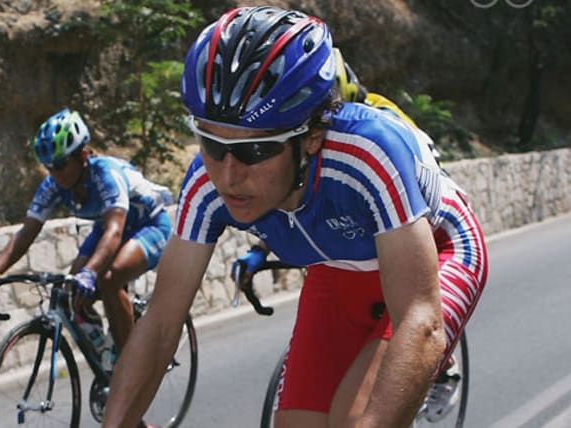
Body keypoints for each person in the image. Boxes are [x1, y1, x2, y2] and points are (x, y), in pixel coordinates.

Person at [103, 6, 488, 428]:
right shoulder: (204, 183)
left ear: (312, 138)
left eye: (255, 150)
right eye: (211, 144)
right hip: (338, 267)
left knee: (357, 419)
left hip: (438, 249)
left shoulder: (368, 153)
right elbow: (161, 324)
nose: (228, 176)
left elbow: (420, 319)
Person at [0, 108, 173, 358]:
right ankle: (106, 354)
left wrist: (90, 272)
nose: (55, 173)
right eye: (48, 167)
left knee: (108, 279)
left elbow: (114, 231)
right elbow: (26, 233)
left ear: (83, 155)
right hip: (108, 229)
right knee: (71, 292)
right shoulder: (53, 185)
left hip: (148, 225)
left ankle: (129, 362)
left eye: (60, 165)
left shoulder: (105, 174)